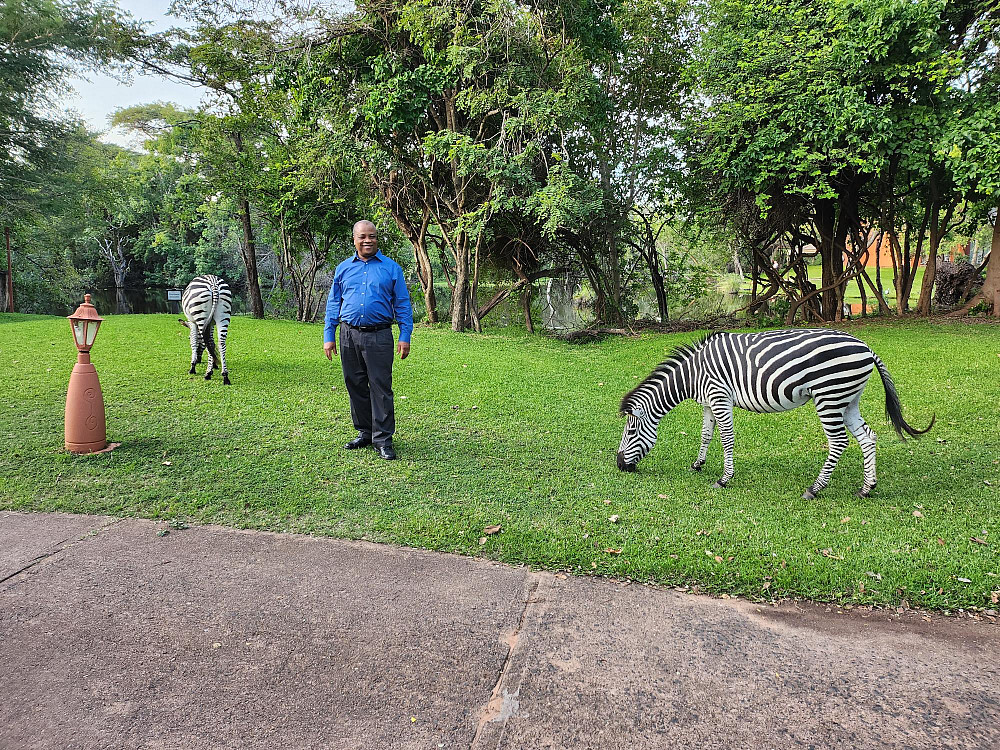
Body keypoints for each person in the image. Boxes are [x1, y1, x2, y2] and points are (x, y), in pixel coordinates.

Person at [324, 220, 413, 460]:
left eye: (372, 236)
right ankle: (365, 433)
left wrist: (405, 335)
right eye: (362, 236)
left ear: (377, 239)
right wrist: (328, 335)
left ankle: (382, 439)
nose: (367, 241)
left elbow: (402, 303)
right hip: (348, 335)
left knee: (380, 388)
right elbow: (334, 302)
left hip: (379, 335)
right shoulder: (343, 268)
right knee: (355, 385)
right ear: (354, 239)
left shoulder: (391, 268)